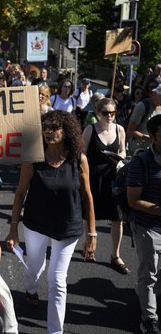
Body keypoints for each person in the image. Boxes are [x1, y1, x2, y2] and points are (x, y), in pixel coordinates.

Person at [6, 110, 97, 334]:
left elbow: (87, 196)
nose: (48, 131)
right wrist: (13, 228)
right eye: (45, 126)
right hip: (36, 223)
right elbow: (19, 194)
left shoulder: (79, 160)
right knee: (33, 269)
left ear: (66, 131)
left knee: (57, 281)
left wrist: (92, 234)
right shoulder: (33, 158)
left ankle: (55, 331)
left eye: (54, 127)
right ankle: (31, 289)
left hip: (68, 227)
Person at [82, 98, 129, 273]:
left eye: (112, 113)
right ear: (97, 113)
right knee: (90, 215)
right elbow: (81, 152)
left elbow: (123, 149)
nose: (109, 116)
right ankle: (89, 246)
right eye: (105, 113)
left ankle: (115, 255)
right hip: (93, 177)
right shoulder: (90, 129)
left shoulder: (120, 129)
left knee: (117, 218)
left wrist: (120, 157)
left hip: (114, 177)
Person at [127, 115, 161, 334]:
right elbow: (133, 200)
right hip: (149, 228)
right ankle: (149, 319)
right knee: (149, 274)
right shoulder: (141, 162)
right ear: (152, 137)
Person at [127, 84, 161, 156]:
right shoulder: (142, 106)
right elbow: (130, 131)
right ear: (154, 93)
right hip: (140, 151)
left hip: (155, 152)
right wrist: (149, 138)